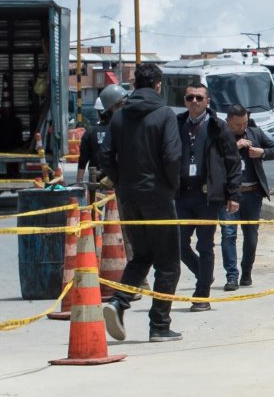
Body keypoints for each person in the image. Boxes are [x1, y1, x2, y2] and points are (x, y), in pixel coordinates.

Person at [97, 62, 185, 343]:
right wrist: (171, 186)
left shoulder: (119, 117)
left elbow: (106, 156)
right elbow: (172, 156)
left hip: (129, 198)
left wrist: (120, 182)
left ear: (134, 84)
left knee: (142, 256)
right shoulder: (164, 114)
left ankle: (118, 302)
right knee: (169, 264)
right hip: (158, 197)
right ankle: (159, 325)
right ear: (158, 85)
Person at [174, 81, 236, 312]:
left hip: (207, 196)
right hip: (182, 195)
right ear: (185, 101)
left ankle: (202, 294)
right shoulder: (178, 124)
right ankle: (203, 273)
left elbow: (232, 162)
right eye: (190, 97)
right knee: (179, 244)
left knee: (205, 244)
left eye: (199, 98)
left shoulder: (218, 127)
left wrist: (233, 194)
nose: (195, 102)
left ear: (207, 101)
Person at [217, 102, 274, 292]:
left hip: (253, 194)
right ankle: (231, 276)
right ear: (228, 121)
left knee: (251, 236)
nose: (242, 127)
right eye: (238, 125)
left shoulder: (255, 133)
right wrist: (234, 147)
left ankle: (246, 273)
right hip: (229, 196)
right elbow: (212, 160)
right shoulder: (220, 136)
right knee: (228, 234)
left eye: (245, 123)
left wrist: (261, 152)